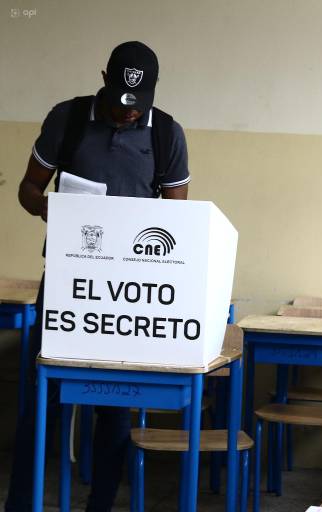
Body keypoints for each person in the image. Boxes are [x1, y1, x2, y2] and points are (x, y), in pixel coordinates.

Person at [7, 41, 189, 512]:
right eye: (117, 102)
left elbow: (176, 222)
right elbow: (28, 187)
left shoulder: (167, 133)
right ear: (103, 76)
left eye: (137, 105)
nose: (127, 113)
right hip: (68, 282)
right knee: (40, 396)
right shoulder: (66, 119)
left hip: (129, 295)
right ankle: (23, 501)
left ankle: (101, 505)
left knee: (114, 406)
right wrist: (51, 209)